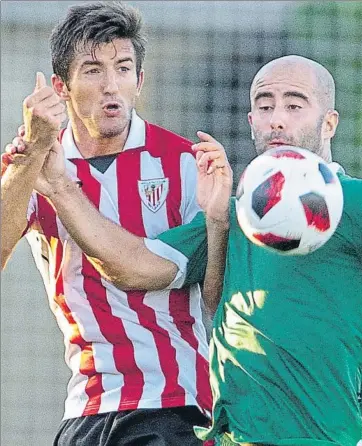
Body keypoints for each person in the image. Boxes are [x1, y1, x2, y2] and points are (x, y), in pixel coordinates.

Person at [5, 54, 362, 444]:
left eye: (294, 106)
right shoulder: (231, 213)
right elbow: (133, 267)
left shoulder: (359, 203)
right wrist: (61, 187)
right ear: (250, 120)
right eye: (265, 106)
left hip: (324, 437)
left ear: (329, 122)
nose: (277, 120)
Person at [1, 2, 213, 445]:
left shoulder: (186, 166)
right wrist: (28, 161)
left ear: (140, 81)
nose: (111, 85)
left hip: (173, 403)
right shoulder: (32, 162)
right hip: (87, 407)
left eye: (123, 67)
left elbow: (139, 270)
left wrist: (58, 186)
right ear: (61, 87)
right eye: (93, 70)